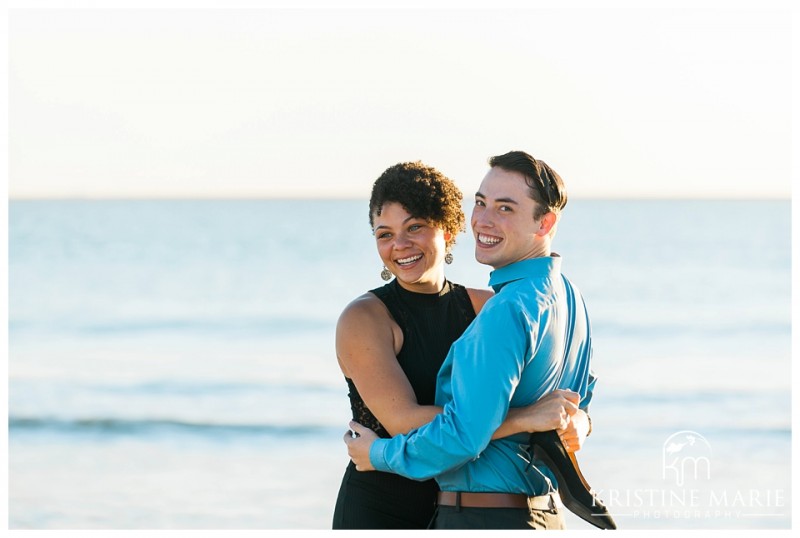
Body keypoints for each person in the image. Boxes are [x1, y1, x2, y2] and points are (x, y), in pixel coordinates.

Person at [345, 151, 597, 530]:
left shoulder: (500, 307)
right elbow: (578, 397)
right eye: (480, 203)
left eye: (505, 208)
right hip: (407, 506)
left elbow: (468, 432)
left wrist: (577, 420)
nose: (484, 218)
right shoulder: (567, 293)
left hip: (486, 512)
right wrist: (533, 419)